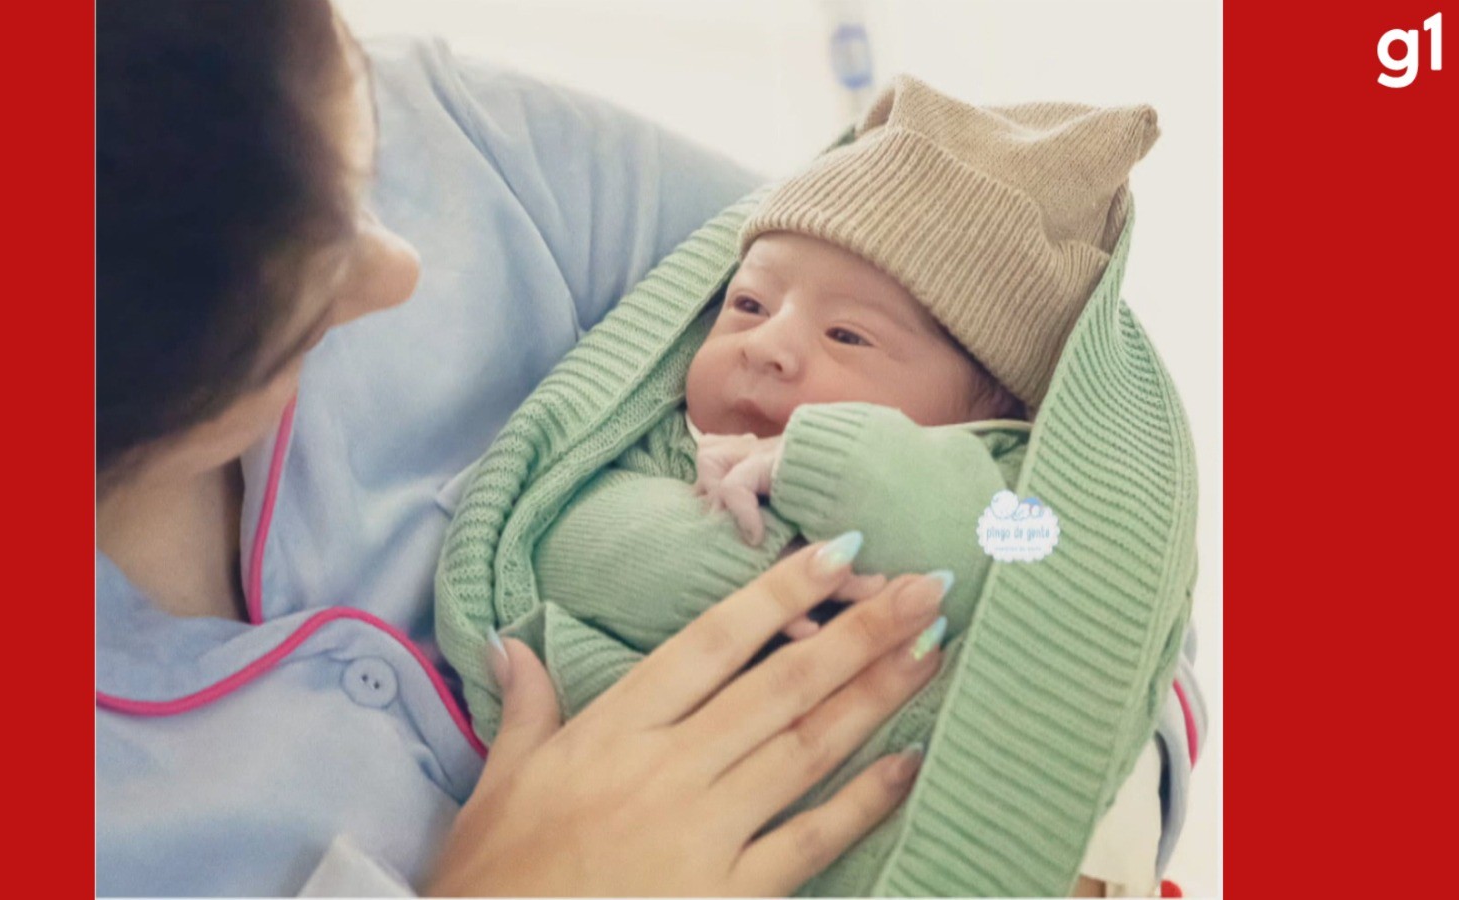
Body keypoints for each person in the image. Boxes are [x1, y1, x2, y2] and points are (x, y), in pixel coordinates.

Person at [95, 1, 957, 895]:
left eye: (358, 146)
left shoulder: (461, 145)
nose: (397, 271)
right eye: (292, 314)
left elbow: (1012, 381)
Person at [437, 76, 1198, 897]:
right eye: (749, 302)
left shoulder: (1009, 493)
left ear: (994, 406)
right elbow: (558, 544)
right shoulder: (664, 444)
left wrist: (838, 464)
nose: (770, 344)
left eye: (848, 334)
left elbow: (1039, 564)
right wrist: (756, 574)